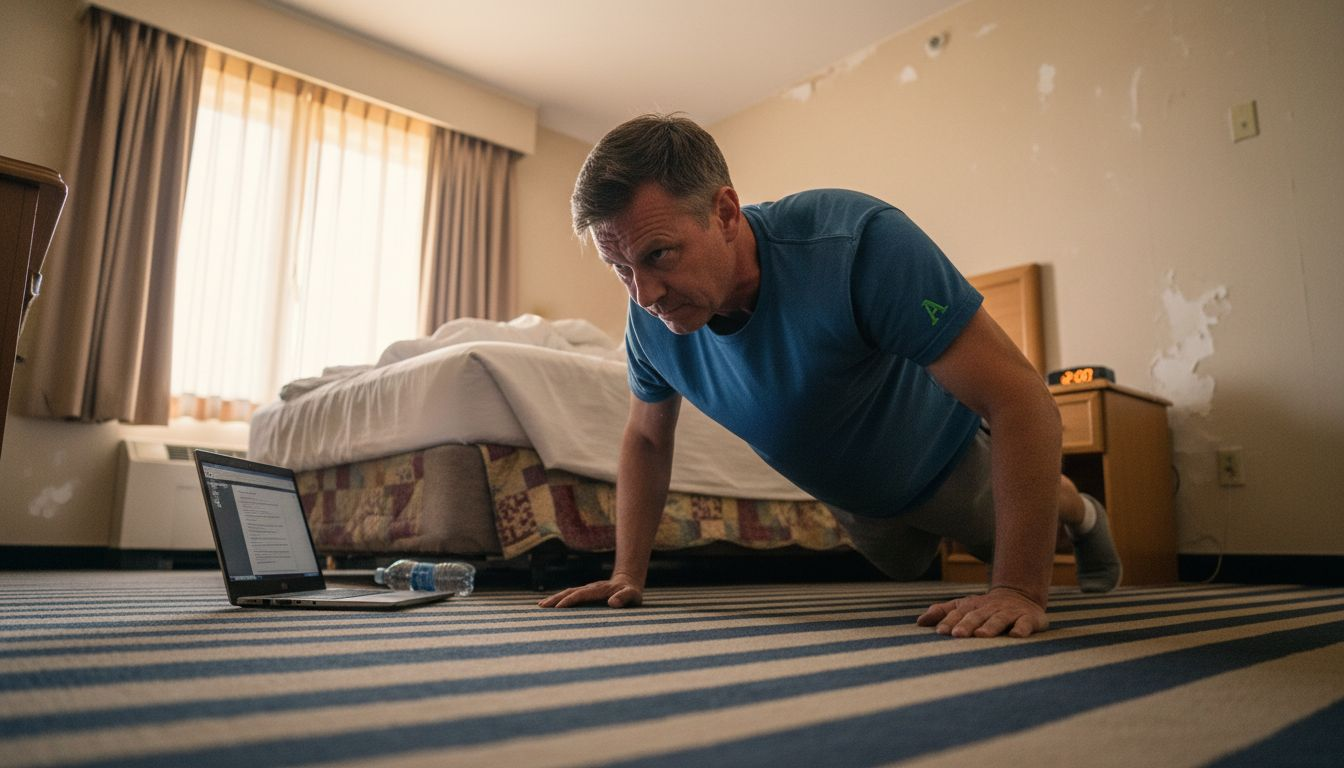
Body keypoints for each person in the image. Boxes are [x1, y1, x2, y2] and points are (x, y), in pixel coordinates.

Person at [537, 113, 1120, 638]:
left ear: (725, 213)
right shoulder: (647, 325)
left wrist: (1017, 588)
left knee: (1001, 527)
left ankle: (1082, 511)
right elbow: (645, 436)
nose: (645, 295)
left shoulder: (858, 243)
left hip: (944, 463)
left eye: (660, 255)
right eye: (620, 269)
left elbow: (1022, 399)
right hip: (857, 503)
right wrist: (624, 574)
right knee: (906, 568)